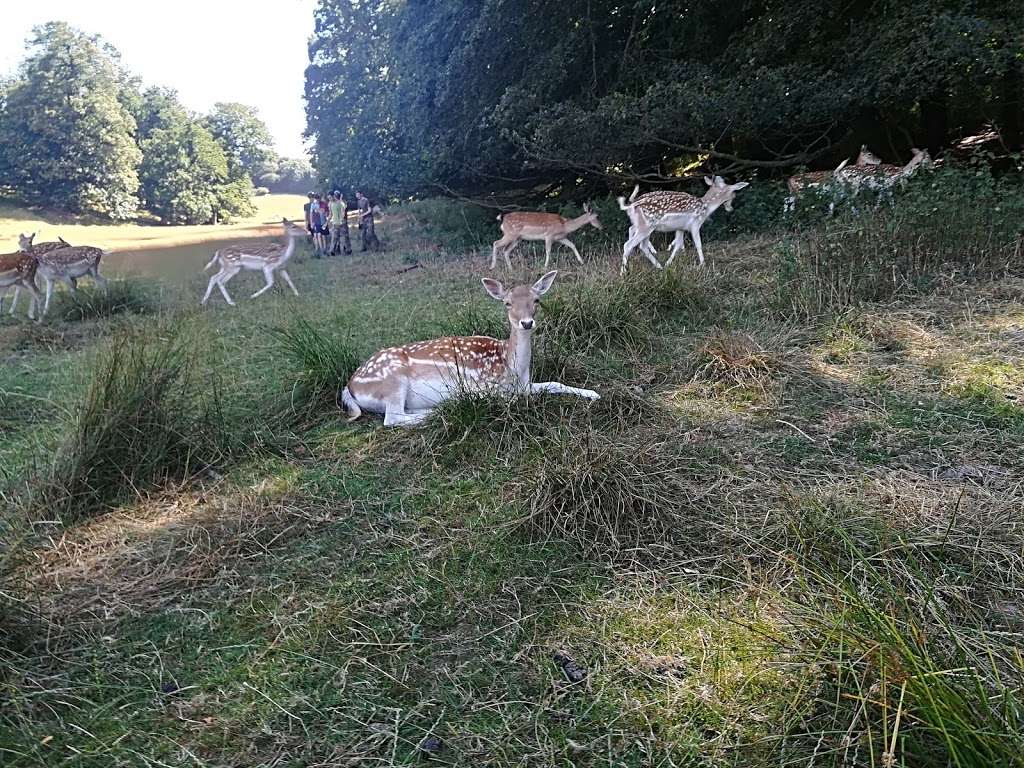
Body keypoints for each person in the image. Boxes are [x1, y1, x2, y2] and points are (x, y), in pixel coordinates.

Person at [329, 191, 352, 256]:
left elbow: (342, 212)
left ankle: (347, 249)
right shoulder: (334, 203)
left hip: (340, 222)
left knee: (342, 237)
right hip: (337, 222)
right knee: (337, 237)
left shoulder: (340, 203)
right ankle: (334, 250)